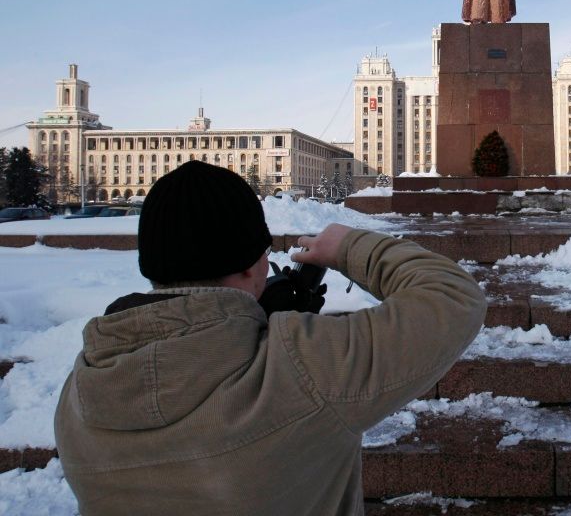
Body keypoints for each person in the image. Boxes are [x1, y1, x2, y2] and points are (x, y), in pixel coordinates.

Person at [54, 160, 487, 515]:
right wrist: (350, 246)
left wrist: (252, 325)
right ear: (251, 263)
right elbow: (453, 297)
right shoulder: (308, 368)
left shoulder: (82, 388)